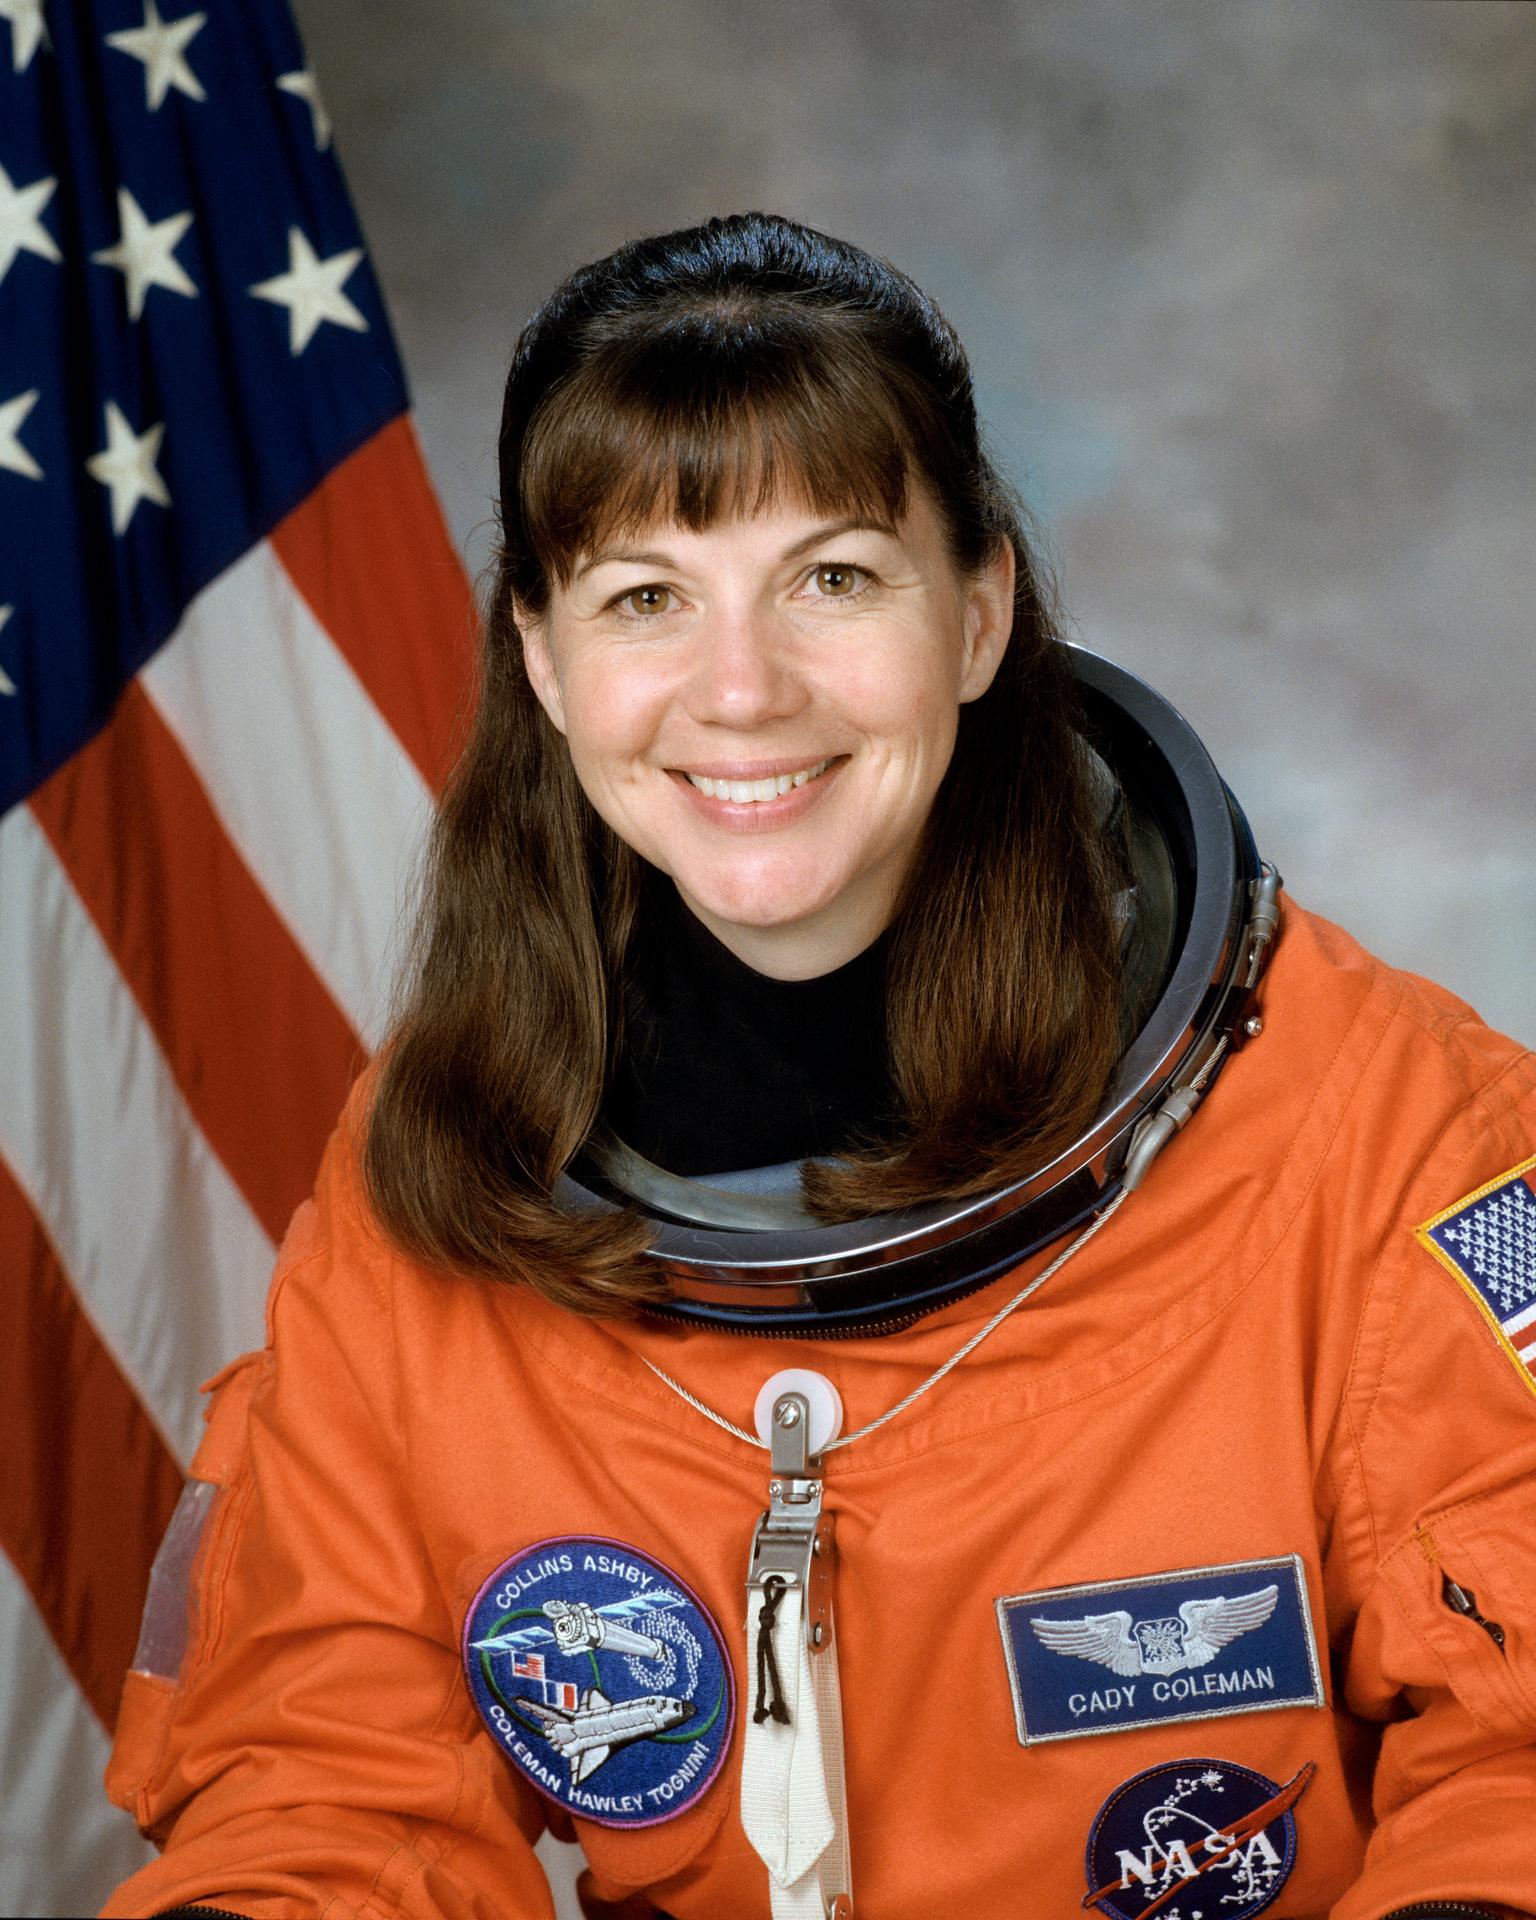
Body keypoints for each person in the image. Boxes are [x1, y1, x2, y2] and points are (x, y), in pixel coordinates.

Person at [102, 214, 1536, 1920]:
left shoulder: (1394, 1133)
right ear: (545, 663)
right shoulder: (445, 1182)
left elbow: (1514, 1772)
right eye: (647, 598)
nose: (742, 690)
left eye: (833, 578)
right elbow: (330, 1790)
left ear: (982, 610)